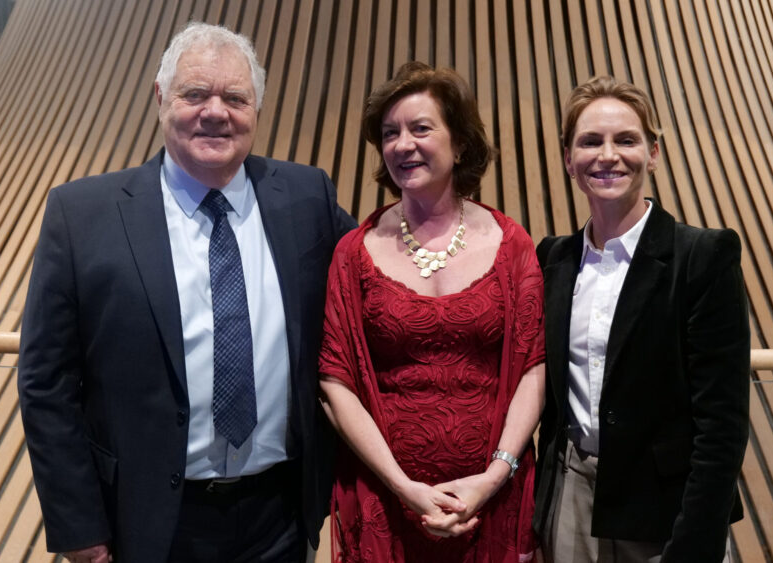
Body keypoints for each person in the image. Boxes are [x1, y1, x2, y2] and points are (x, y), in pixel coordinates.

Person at [17, 22, 355, 563]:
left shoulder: (306, 197)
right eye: (195, 94)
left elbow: (379, 275)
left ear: (257, 109)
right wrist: (79, 527)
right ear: (160, 97)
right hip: (145, 524)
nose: (216, 112)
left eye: (235, 97)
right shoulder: (82, 215)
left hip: (280, 517)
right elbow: (45, 384)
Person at [318, 61, 545, 562]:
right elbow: (337, 383)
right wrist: (403, 487)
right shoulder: (352, 252)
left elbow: (533, 367)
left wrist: (492, 477)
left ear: (459, 142)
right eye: (390, 133)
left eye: (421, 128)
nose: (403, 144)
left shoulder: (513, 245)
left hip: (492, 501)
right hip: (387, 503)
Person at [532, 76, 750, 562]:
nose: (607, 155)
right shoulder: (554, 260)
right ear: (569, 159)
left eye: (626, 140)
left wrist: (694, 542)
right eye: (590, 141)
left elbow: (722, 427)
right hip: (571, 501)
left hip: (664, 515)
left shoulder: (703, 257)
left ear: (653, 152)